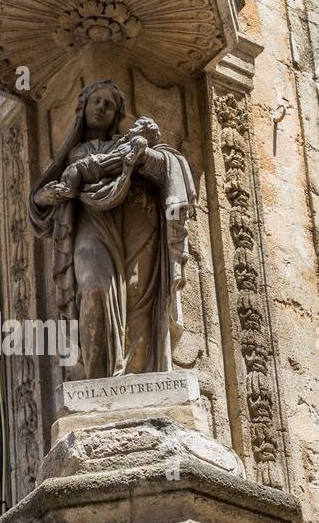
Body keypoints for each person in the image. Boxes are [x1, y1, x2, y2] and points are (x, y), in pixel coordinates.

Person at [29, 80, 196, 378]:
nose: (102, 108)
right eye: (96, 101)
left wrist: (140, 155)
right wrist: (45, 196)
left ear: (118, 114)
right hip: (91, 227)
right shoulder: (75, 154)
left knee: (137, 296)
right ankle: (99, 379)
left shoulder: (132, 146)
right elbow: (42, 206)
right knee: (94, 289)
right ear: (83, 108)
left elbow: (166, 167)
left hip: (138, 228)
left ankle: (140, 376)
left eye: (109, 104)